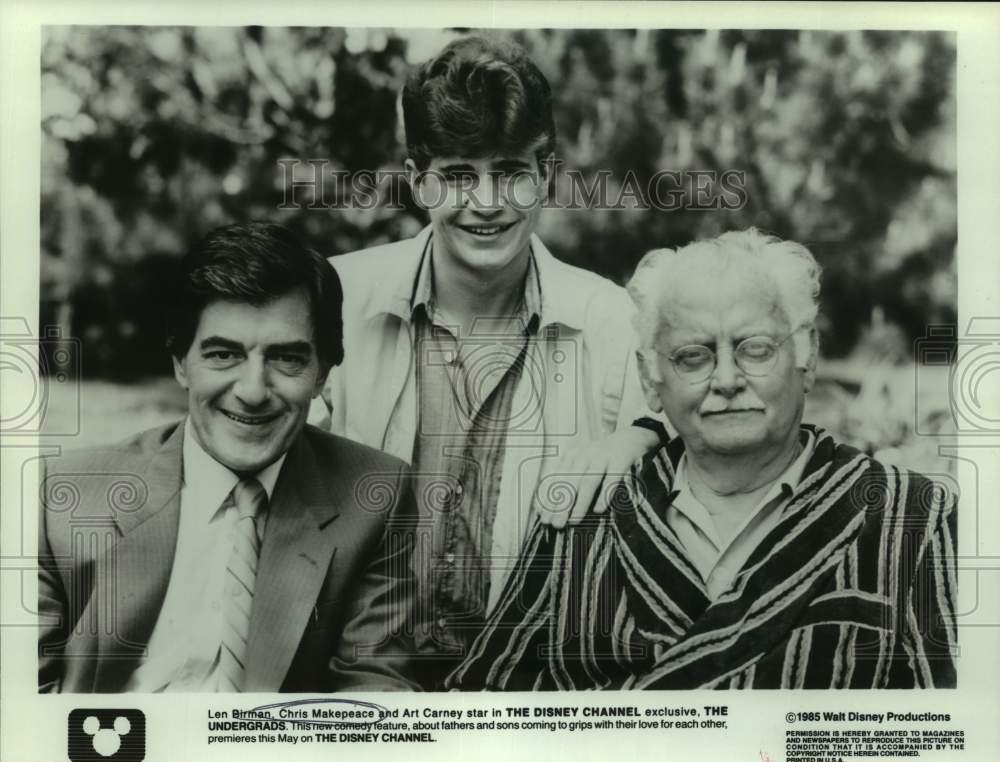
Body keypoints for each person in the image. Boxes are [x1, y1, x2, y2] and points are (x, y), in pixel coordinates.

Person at [448, 228, 958, 690]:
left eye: (755, 349)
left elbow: (953, 740)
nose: (728, 379)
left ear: (807, 357)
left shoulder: (911, 518)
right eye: (694, 355)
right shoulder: (584, 516)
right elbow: (482, 713)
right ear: (650, 380)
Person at [310, 35, 662, 686]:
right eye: (458, 175)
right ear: (418, 181)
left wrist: (642, 436)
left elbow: (687, 448)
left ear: (547, 174)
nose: (487, 201)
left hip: (533, 686)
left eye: (510, 171)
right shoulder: (334, 297)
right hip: (356, 675)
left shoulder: (613, 319)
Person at [38, 222, 419, 693]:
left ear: (322, 373)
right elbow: (22, 709)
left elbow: (375, 697)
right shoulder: (61, 496)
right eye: (223, 355)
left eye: (287, 359)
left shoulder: (376, 496)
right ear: (181, 363)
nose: (253, 391)